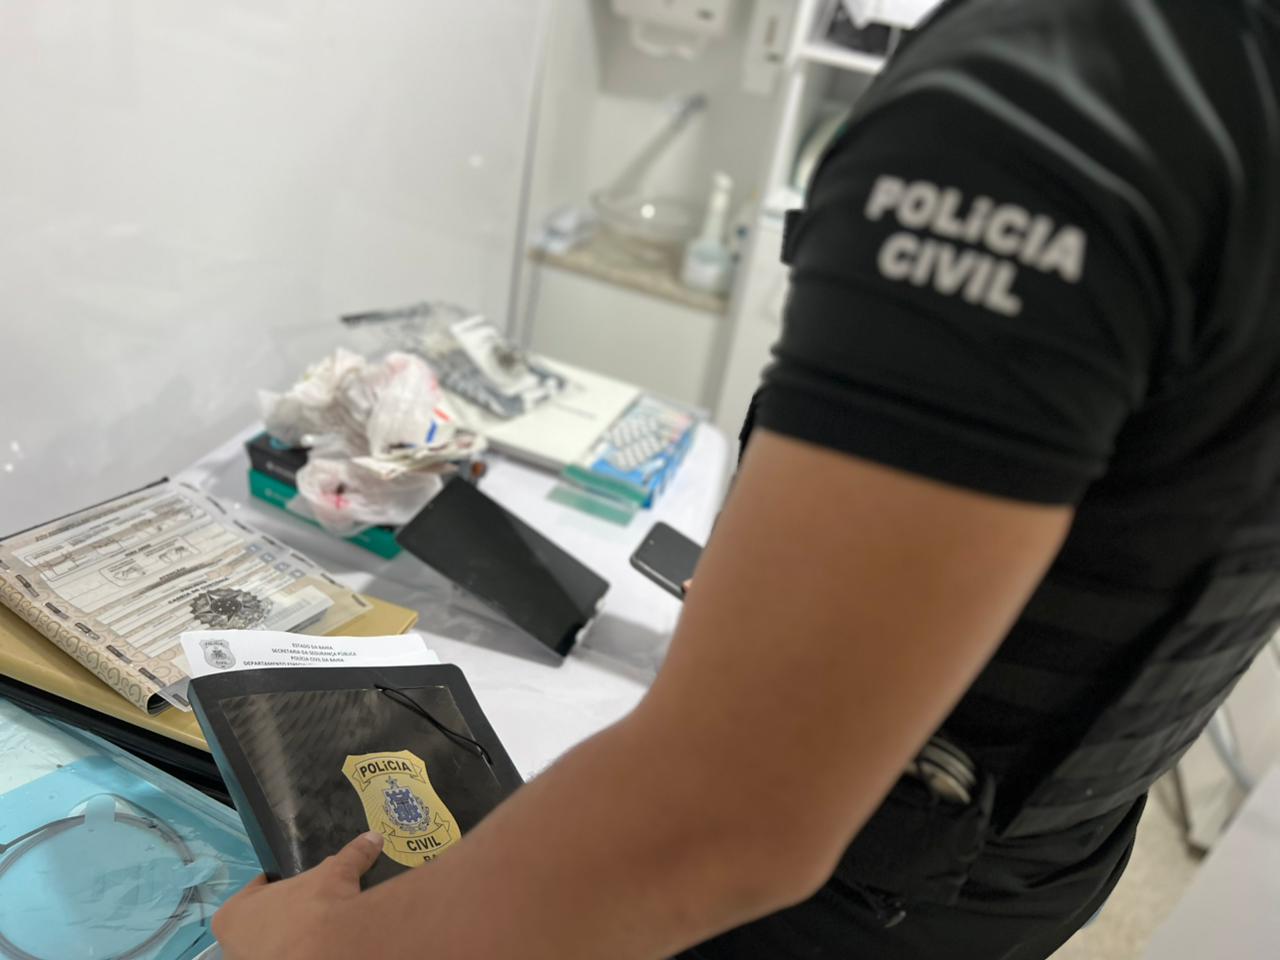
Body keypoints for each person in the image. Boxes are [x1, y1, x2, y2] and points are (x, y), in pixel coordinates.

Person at [212, 1, 1280, 957]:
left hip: (837, 896)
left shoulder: (1049, 100)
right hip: (1024, 863)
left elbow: (717, 825)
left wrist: (321, 950)